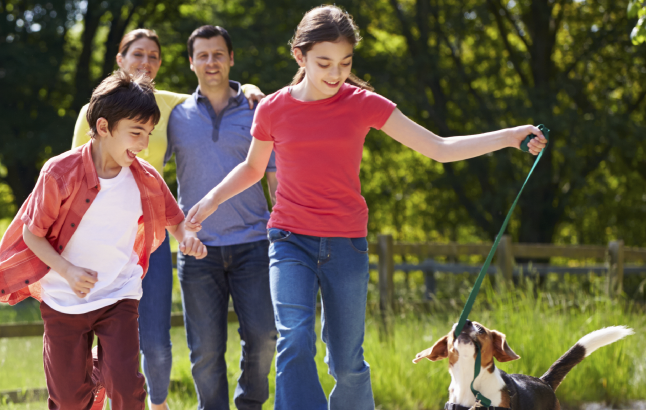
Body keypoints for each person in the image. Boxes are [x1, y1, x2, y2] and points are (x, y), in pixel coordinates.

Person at [183, 6, 547, 410]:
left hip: (346, 245)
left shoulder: (363, 104)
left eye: (345, 63)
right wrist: (212, 199)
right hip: (289, 239)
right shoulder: (273, 108)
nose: (336, 74)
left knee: (347, 362)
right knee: (294, 338)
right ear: (299, 56)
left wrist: (511, 136)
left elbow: (439, 148)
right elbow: (253, 168)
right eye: (324, 63)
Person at [0, 70, 207, 410]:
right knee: (68, 400)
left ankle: (107, 376)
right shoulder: (59, 172)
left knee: (126, 387)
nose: (143, 144)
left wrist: (187, 238)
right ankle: (95, 382)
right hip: (64, 299)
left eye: (149, 134)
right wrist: (67, 271)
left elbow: (175, 220)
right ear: (103, 127)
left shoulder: (145, 178)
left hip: (118, 294)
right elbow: (31, 234)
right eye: (136, 133)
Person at [70, 28, 264, 410]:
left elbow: (217, 90)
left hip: (150, 237)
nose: (145, 62)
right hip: (98, 241)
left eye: (153, 57)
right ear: (120, 59)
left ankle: (156, 406)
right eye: (137, 54)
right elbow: (74, 174)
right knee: (95, 339)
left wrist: (252, 88)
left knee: (157, 347)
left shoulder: (171, 106)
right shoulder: (95, 112)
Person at [166, 25, 278, 410]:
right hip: (197, 250)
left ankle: (249, 406)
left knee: (264, 338)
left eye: (218, 54)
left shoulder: (256, 109)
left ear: (231, 59)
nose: (211, 62)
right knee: (205, 353)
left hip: (254, 244)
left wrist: (283, 232)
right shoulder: (174, 116)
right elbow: (144, 170)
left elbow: (276, 176)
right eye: (203, 55)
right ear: (191, 62)